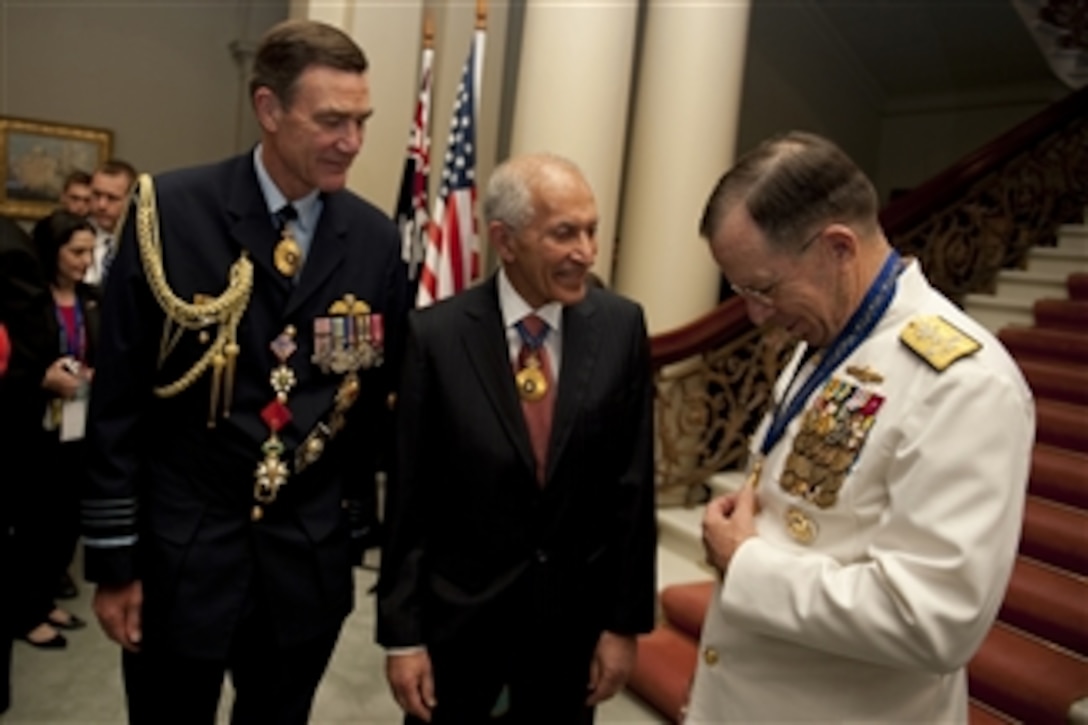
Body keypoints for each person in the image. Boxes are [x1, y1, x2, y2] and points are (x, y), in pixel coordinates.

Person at [81, 18, 408, 725]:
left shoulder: (377, 239)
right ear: (269, 109)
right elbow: (118, 402)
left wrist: (351, 529)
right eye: (331, 120)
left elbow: (372, 401)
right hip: (183, 551)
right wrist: (115, 558)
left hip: (305, 562)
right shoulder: (167, 210)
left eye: (361, 120)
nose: (352, 141)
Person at [686, 131, 1035, 723]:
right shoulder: (828, 336)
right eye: (741, 290)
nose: (754, 314)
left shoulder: (963, 383)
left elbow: (932, 620)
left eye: (762, 288)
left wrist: (745, 563)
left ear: (838, 248)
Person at [378, 153, 657, 724]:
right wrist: (403, 637)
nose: (586, 251)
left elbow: (632, 491)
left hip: (569, 633)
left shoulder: (622, 327)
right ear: (505, 242)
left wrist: (622, 625)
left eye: (591, 230)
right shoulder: (436, 337)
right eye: (564, 233)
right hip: (458, 629)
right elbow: (412, 500)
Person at [8, 211, 99, 650]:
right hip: (33, 428)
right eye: (76, 251)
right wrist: (42, 379)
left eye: (90, 251)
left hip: (78, 427)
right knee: (32, 524)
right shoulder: (27, 299)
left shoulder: (93, 300)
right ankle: (23, 613)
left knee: (65, 522)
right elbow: (13, 365)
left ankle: (43, 601)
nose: (85, 260)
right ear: (53, 251)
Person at [83, 158, 137, 286]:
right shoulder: (72, 237)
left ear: (131, 200)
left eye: (112, 198)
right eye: (96, 194)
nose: (102, 205)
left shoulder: (142, 244)